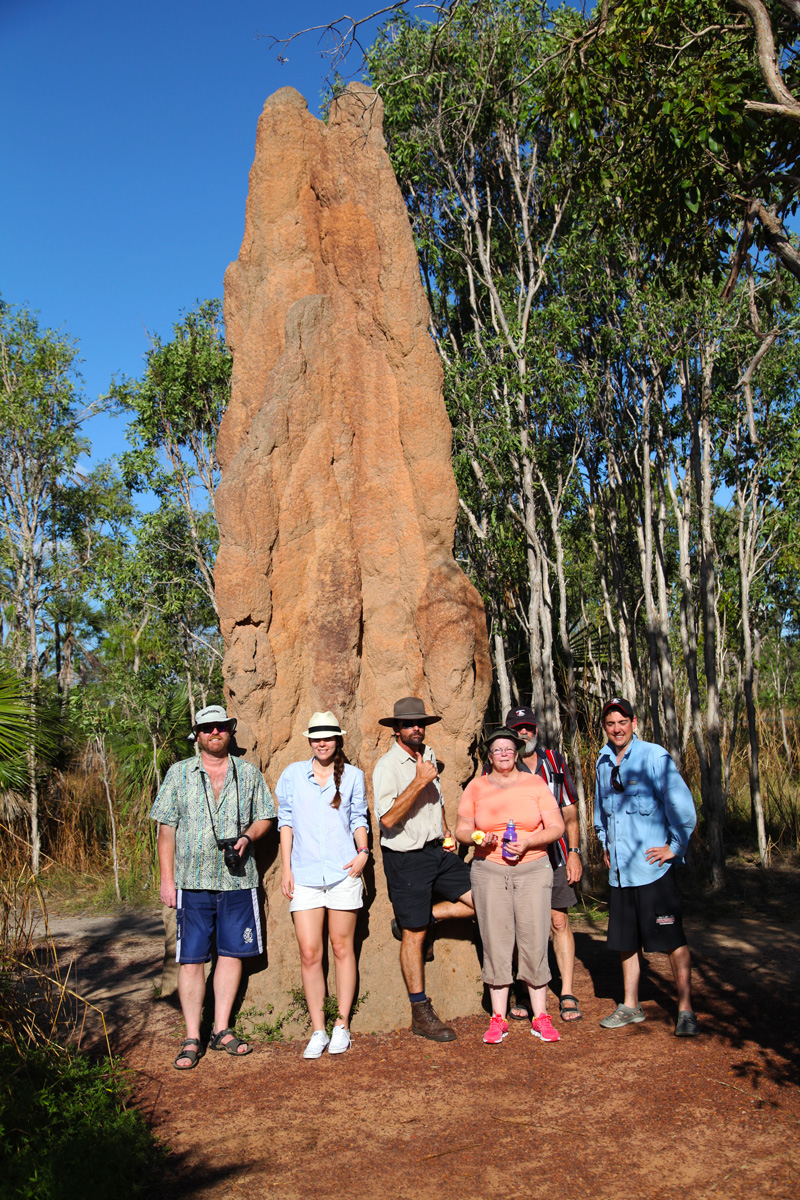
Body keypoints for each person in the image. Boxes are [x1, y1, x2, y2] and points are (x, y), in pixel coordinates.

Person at [150, 704, 276, 1070]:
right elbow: (165, 830)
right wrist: (166, 880)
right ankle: (192, 1036)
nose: (214, 733)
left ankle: (221, 1028)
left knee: (232, 954)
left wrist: (248, 838)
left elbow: (265, 815)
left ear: (230, 731)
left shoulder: (248, 774)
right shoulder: (179, 774)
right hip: (191, 883)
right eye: (207, 729)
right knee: (190, 961)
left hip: (237, 881)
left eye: (221, 727)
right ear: (198, 735)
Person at [594, 697, 699, 1037]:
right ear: (606, 727)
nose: (617, 728)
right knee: (626, 941)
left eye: (622, 721)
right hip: (621, 872)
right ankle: (630, 1005)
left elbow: (681, 805)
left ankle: (685, 1009)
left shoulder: (654, 756)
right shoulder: (603, 761)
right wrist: (606, 845)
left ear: (634, 723)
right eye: (611, 723)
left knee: (671, 938)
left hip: (653, 869)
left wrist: (674, 848)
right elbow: (601, 812)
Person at [373, 696, 475, 1042]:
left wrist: (446, 832)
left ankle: (427, 916)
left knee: (486, 899)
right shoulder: (388, 766)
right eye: (409, 724)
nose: (417, 728)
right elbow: (386, 820)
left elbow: (438, 801)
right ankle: (420, 1012)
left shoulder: (427, 756)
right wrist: (417, 781)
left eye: (421, 723)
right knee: (414, 936)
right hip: (406, 858)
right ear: (397, 729)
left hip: (439, 853)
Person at [456, 727, 565, 1045]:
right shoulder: (476, 788)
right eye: (497, 750)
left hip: (533, 870)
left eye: (509, 748)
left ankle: (540, 1016)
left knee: (534, 940)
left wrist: (529, 840)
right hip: (489, 871)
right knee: (496, 941)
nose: (503, 753)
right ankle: (498, 1018)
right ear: (489, 756)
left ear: (517, 752)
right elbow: (462, 829)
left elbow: (556, 826)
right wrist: (480, 836)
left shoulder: (535, 784)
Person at [277, 711, 369, 1060]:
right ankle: (318, 1029)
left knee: (342, 948)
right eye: (316, 736)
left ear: (337, 739)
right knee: (310, 952)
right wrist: (287, 869)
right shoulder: (292, 776)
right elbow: (285, 823)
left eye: (328, 736)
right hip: (304, 875)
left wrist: (364, 852)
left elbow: (359, 818)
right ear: (309, 740)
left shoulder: (354, 777)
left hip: (344, 872)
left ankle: (341, 1026)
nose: (322, 742)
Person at [504, 705, 584, 1022]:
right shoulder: (498, 765)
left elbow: (570, 811)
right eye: (518, 729)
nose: (525, 733)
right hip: (516, 859)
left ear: (536, 730)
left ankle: (566, 991)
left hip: (555, 856)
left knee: (559, 921)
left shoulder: (553, 762)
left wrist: (575, 851)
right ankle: (524, 991)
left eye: (529, 728)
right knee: (520, 925)